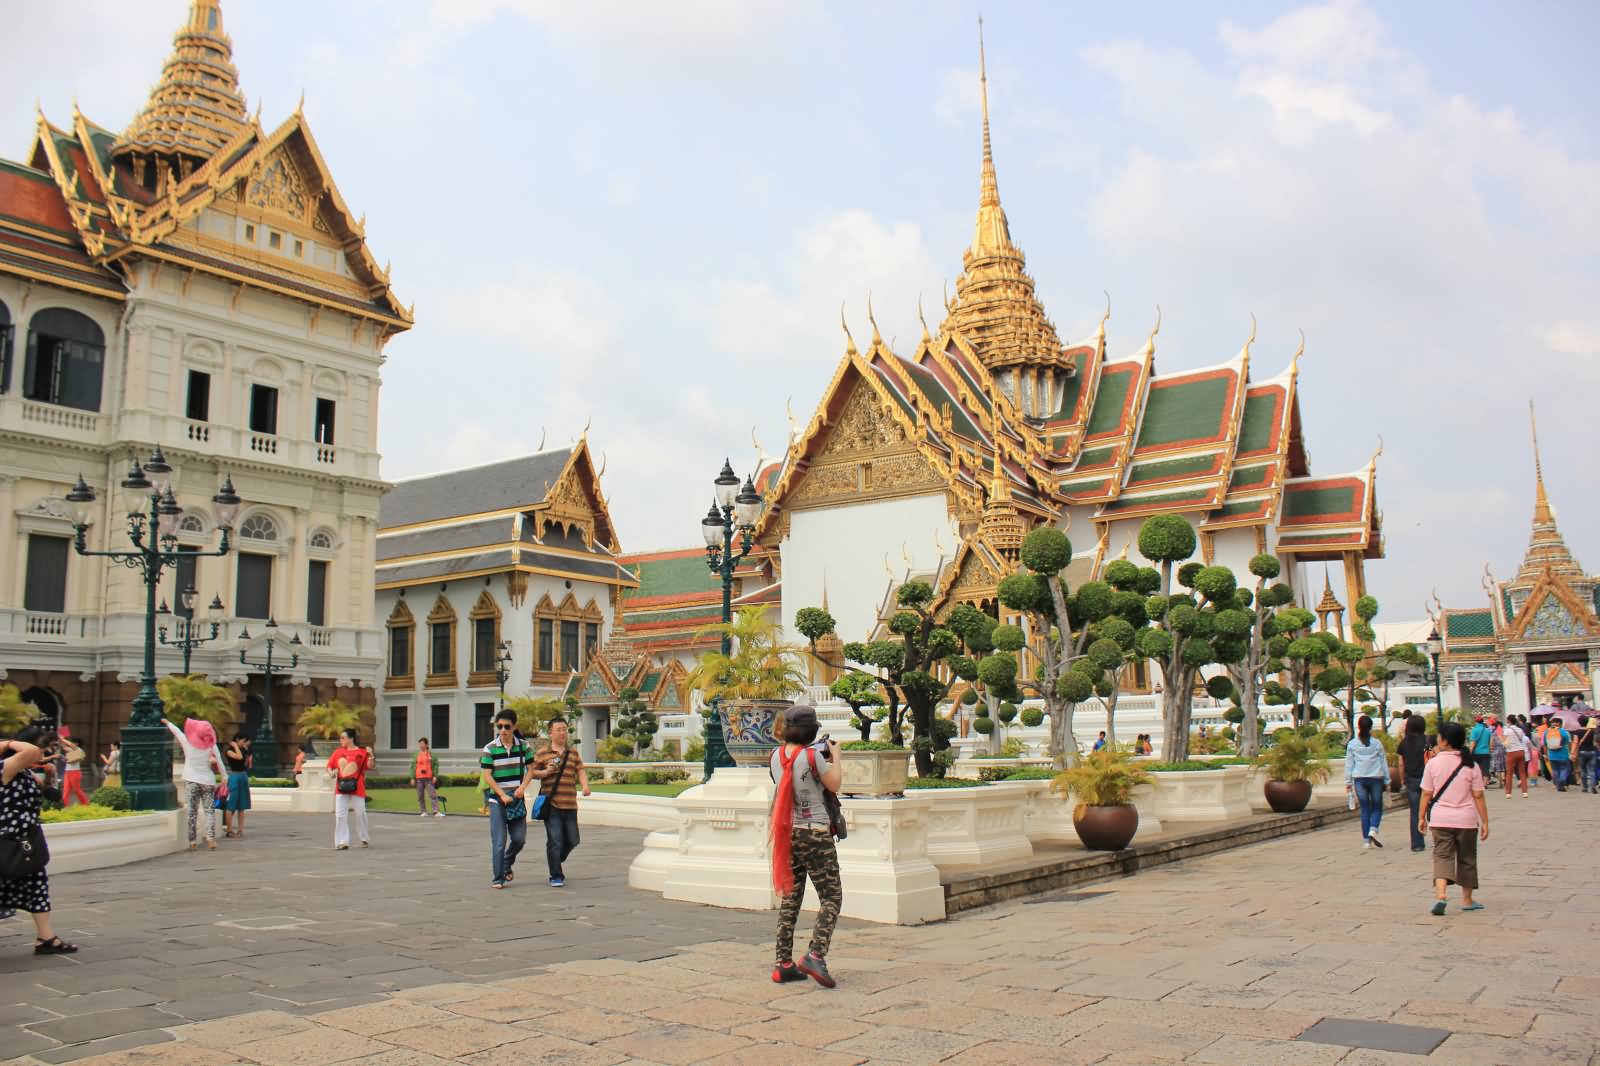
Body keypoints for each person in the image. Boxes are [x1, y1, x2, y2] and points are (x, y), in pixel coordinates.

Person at [768, 705, 842, 988]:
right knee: (832, 897)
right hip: (814, 834)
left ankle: (783, 963)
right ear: (811, 731)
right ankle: (815, 954)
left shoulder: (775, 755)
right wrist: (835, 757)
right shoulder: (813, 756)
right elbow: (834, 784)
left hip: (789, 833)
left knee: (791, 897)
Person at [1, 724, 78, 955]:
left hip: (25, 841)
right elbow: (31, 753)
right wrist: (8, 742)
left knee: (37, 885)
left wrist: (49, 779)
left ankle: (46, 938)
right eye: (43, 747)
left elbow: (51, 797)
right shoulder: (6, 767)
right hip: (6, 841)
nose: (44, 753)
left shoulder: (24, 772)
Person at [1418, 721, 1488, 915]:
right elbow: (1478, 795)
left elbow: (1426, 793)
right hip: (1466, 819)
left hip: (1440, 819)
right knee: (1467, 858)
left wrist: (1421, 817)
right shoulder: (1470, 764)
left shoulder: (1433, 763)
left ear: (1445, 741)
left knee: (1442, 855)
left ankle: (1441, 894)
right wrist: (1485, 821)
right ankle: (1467, 900)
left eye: (1439, 736)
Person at [532, 718, 591, 887]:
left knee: (573, 840)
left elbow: (580, 770)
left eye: (564, 729)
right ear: (550, 732)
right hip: (552, 805)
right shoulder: (543, 753)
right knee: (555, 840)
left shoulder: (573, 753)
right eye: (558, 729)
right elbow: (531, 772)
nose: (562, 733)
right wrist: (546, 771)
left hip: (570, 804)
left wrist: (585, 786)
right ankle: (556, 874)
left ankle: (556, 858)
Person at [481, 710, 534, 888]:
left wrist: (522, 787)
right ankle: (498, 878)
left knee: (519, 839)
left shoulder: (524, 747)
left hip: (516, 798)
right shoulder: (490, 748)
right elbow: (487, 775)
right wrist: (501, 794)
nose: (502, 730)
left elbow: (531, 770)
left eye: (507, 727)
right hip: (498, 799)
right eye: (499, 726)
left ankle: (506, 863)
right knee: (499, 841)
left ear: (514, 727)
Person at [162, 717, 227, 850]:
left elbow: (178, 733)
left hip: (191, 780)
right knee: (209, 811)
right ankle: (210, 838)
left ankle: (192, 841)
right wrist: (225, 777)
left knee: (192, 812)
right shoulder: (211, 745)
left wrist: (168, 723)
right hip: (208, 781)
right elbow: (219, 762)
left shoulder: (188, 743)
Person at [1345, 714, 1389, 849]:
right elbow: (1383, 763)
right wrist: (1387, 780)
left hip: (1359, 779)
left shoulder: (1352, 744)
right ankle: (1373, 829)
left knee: (1365, 809)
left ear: (1358, 727)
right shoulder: (1377, 743)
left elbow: (1349, 764)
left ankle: (1366, 841)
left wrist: (1348, 782)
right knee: (1377, 806)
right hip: (1376, 778)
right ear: (1370, 728)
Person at [327, 728, 371, 849]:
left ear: (351, 738)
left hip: (357, 787)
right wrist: (331, 772)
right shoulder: (338, 752)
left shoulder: (362, 752)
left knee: (360, 813)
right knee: (340, 815)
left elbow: (369, 766)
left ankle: (364, 837)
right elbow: (330, 765)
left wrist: (371, 755)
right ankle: (342, 841)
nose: (341, 740)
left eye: (343, 737)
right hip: (341, 787)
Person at [1396, 714, 1428, 852]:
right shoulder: (1428, 740)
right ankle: (1442, 837)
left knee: (1415, 812)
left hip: (1412, 780)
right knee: (1434, 809)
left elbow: (1401, 764)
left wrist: (1402, 779)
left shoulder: (1404, 743)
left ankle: (1417, 843)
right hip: (1429, 780)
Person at [221, 734, 252, 838]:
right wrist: (235, 746)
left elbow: (246, 760)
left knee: (241, 806)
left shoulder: (243, 749)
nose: (244, 743)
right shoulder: (229, 750)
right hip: (234, 776)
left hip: (243, 775)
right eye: (243, 741)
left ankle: (240, 829)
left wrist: (242, 747)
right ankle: (229, 830)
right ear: (237, 740)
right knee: (231, 804)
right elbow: (239, 757)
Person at [410, 736, 443, 816]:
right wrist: (412, 778)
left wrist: (435, 776)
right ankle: (423, 811)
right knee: (420, 796)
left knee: (432, 795)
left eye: (422, 744)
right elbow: (413, 766)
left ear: (427, 744)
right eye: (419, 744)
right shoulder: (416, 755)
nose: (420, 746)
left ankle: (436, 811)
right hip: (419, 778)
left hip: (429, 778)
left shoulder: (432, 755)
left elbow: (435, 766)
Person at [1500, 716, 1529, 798]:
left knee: (1509, 773)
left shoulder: (1507, 730)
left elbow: (1505, 743)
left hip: (1511, 752)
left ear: (1508, 721)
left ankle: (1508, 793)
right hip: (1521, 751)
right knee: (1522, 772)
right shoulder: (1520, 730)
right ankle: (1525, 792)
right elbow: (1522, 739)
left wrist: (1501, 739)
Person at [58, 728, 88, 807]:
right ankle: (64, 805)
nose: (71, 743)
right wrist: (61, 740)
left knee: (76, 790)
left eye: (73, 742)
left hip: (75, 772)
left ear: (77, 743)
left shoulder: (79, 750)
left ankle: (85, 804)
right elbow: (64, 747)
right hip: (67, 771)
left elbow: (70, 745)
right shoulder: (72, 750)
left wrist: (62, 739)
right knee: (66, 790)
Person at [1544, 718, 1572, 792]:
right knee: (1564, 769)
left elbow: (1544, 745)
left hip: (1552, 755)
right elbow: (1568, 742)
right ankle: (1561, 783)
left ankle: (1558, 784)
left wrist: (1546, 754)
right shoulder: (1563, 731)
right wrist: (1570, 752)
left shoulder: (1546, 731)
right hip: (1563, 754)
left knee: (1555, 770)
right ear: (1560, 723)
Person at [1467, 716, 1494, 780]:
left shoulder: (1474, 730)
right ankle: (1485, 783)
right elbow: (1491, 743)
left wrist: (1470, 751)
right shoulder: (1487, 731)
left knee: (1476, 768)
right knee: (1485, 768)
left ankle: (1479, 781)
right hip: (1486, 752)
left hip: (1476, 753)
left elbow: (1473, 742)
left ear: (1476, 722)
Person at [1575, 716, 1597, 794]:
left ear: (1579, 722)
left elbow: (1575, 743)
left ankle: (1585, 787)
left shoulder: (1577, 732)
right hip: (1592, 752)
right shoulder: (1591, 731)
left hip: (1582, 752)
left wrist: (1573, 752)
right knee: (1592, 770)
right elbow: (1595, 742)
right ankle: (1593, 786)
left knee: (1583, 770)